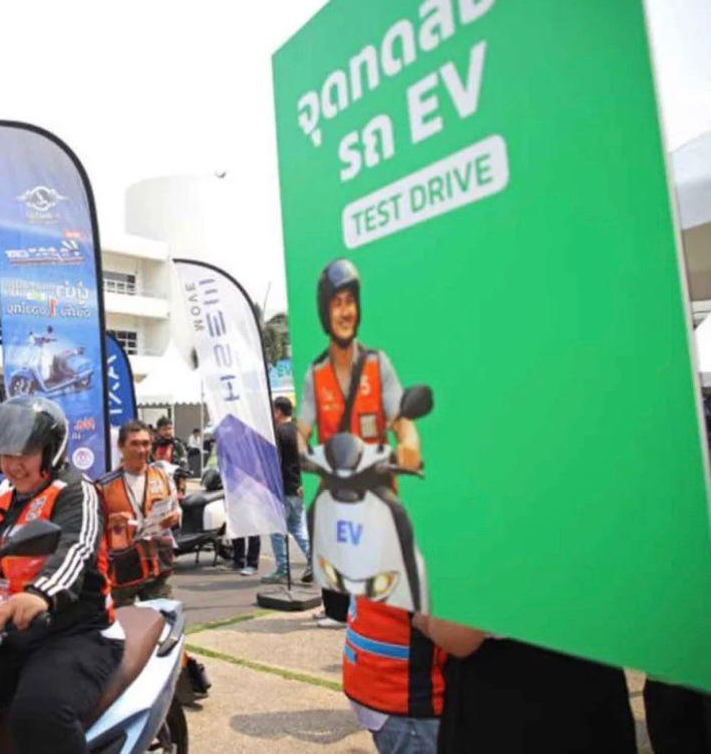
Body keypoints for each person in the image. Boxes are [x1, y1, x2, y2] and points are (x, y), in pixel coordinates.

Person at [0, 396, 123, 753]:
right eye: (6, 455)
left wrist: (40, 593)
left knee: (39, 714)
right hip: (13, 632)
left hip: (78, 632)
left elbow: (75, 549)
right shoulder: (6, 502)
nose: (13, 466)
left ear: (50, 451)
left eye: (25, 454)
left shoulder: (77, 492)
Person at [297, 258, 421, 628]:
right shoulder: (314, 375)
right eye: (337, 303)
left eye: (350, 301)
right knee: (315, 516)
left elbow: (402, 419)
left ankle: (414, 598)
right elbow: (303, 428)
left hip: (376, 481)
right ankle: (335, 609)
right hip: (334, 482)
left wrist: (410, 444)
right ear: (324, 310)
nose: (345, 311)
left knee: (400, 523)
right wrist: (303, 452)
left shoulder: (376, 364)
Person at [413, 614, 636, 754]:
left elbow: (459, 635)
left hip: (506, 697)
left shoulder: (476, 539)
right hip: (596, 672)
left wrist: (422, 619)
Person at [98, 420, 181, 606]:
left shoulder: (162, 477)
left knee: (163, 623)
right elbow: (92, 529)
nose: (141, 450)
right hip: (122, 569)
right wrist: (111, 522)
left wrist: (174, 517)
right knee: (124, 628)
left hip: (158, 564)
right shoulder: (103, 486)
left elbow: (176, 508)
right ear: (121, 446)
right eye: (134, 444)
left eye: (145, 444)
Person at [262, 397, 313, 585]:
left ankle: (282, 570)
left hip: (283, 487)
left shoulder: (279, 432)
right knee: (297, 527)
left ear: (278, 412)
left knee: (276, 530)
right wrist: (304, 484)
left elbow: (276, 462)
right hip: (298, 488)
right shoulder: (300, 430)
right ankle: (313, 560)